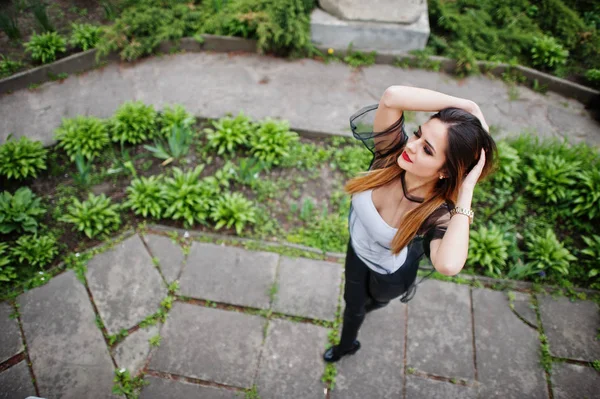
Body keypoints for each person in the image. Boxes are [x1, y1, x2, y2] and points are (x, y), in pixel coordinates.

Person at [323, 85, 497, 363]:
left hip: (390, 274)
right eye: (417, 134)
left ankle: (368, 309)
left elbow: (448, 265)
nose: (411, 146)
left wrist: (467, 189)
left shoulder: (437, 212)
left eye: (426, 149)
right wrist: (468, 104)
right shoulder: (389, 155)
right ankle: (347, 345)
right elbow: (392, 96)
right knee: (352, 306)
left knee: (373, 303)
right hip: (357, 249)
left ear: (445, 172)